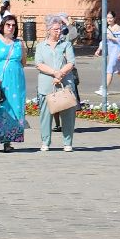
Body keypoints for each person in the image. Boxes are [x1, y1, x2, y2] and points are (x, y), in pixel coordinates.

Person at [35, 14, 78, 152]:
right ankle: (45, 142)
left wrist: (60, 74)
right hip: (47, 85)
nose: (58, 32)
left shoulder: (66, 44)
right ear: (48, 30)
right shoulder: (41, 46)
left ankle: (67, 142)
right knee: (45, 115)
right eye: (55, 29)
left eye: (60, 29)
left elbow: (71, 62)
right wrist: (54, 73)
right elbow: (39, 64)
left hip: (65, 84)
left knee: (68, 114)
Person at [0, 13, 27, 152]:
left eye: (13, 25)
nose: (10, 27)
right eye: (8, 25)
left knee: (14, 108)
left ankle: (8, 141)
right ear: (2, 26)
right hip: (0, 82)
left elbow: (23, 62)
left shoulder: (19, 44)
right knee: (0, 108)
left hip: (16, 82)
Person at [93, 10, 120, 98]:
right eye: (107, 18)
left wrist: (112, 38)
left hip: (117, 51)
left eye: (111, 18)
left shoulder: (118, 27)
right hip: (111, 51)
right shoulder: (107, 28)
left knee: (110, 68)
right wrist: (99, 49)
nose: (109, 20)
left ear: (114, 18)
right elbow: (104, 40)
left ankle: (104, 89)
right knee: (119, 70)